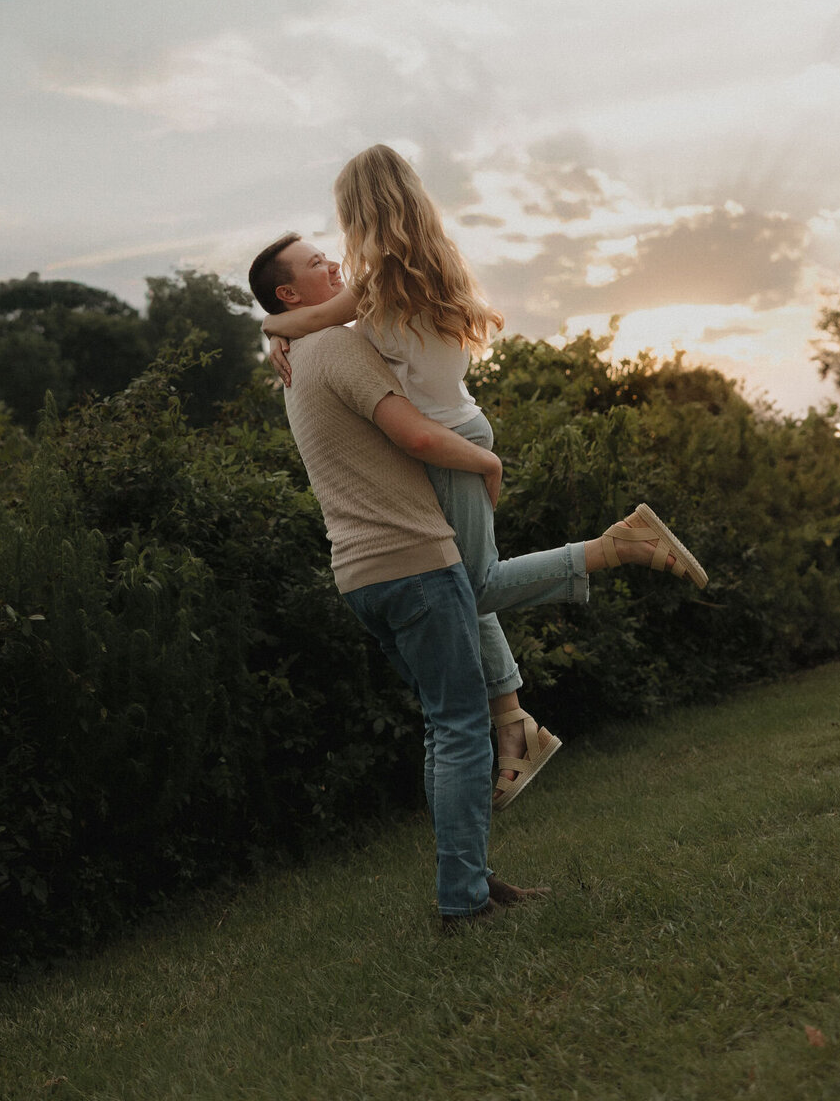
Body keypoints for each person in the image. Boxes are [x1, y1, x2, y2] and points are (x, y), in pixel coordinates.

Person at [248, 225, 707, 929]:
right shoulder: (337, 346)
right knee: (459, 731)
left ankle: (478, 864)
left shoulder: (295, 363)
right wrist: (487, 463)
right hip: (412, 562)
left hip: (362, 574)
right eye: (317, 265)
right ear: (289, 291)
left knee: (452, 716)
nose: (335, 265)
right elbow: (420, 434)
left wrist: (271, 331)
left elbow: (330, 340)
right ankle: (462, 900)